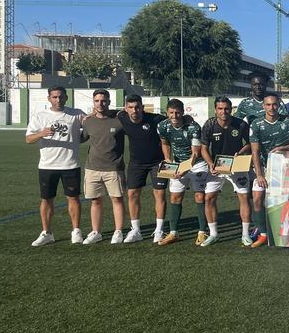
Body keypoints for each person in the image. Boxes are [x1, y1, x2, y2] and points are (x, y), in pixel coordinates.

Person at [25, 86, 85, 246]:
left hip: (70, 164)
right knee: (46, 199)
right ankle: (46, 233)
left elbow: (90, 126)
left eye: (61, 97)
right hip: (47, 165)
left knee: (73, 198)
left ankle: (76, 231)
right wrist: (40, 134)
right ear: (49, 98)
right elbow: (28, 139)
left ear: (66, 98)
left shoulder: (76, 113)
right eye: (54, 97)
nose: (58, 100)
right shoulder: (40, 116)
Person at [200, 97, 252, 247]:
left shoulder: (241, 124)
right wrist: (210, 164)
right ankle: (214, 234)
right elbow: (204, 148)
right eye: (220, 109)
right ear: (215, 109)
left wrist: (240, 153)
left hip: (236, 165)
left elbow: (249, 144)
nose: (224, 112)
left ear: (231, 109)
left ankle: (245, 234)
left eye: (226, 109)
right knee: (209, 197)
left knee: (243, 197)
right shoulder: (210, 124)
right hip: (218, 166)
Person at [157, 98, 208, 246]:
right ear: (167, 112)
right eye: (171, 113)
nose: (174, 116)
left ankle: (202, 232)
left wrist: (184, 169)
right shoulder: (162, 126)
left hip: (197, 165)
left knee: (199, 196)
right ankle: (173, 233)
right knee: (175, 197)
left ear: (183, 112)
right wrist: (168, 160)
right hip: (178, 165)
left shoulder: (193, 127)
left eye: (177, 113)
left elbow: (196, 153)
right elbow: (165, 143)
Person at [118, 94, 168, 243]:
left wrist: (187, 119)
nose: (135, 110)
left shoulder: (155, 119)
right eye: (131, 108)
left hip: (157, 163)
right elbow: (108, 112)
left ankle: (159, 230)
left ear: (142, 108)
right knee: (132, 194)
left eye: (138, 107)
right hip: (136, 163)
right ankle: (136, 230)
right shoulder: (122, 117)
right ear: (126, 109)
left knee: (159, 194)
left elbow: (173, 119)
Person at [80, 89, 127, 245]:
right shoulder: (88, 121)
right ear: (93, 102)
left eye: (104, 100)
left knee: (117, 200)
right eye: (97, 101)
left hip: (114, 168)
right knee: (95, 201)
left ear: (109, 102)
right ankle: (96, 232)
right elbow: (80, 138)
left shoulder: (120, 120)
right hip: (92, 168)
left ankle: (118, 231)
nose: (101, 103)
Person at [249, 92, 289, 248]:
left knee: (284, 201)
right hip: (262, 167)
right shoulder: (256, 124)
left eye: (274, 104)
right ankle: (262, 233)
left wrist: (282, 148)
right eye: (268, 105)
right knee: (257, 199)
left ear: (279, 105)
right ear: (263, 106)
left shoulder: (288, 121)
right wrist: (260, 174)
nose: (272, 107)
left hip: (283, 166)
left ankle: (284, 231)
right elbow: (255, 151)